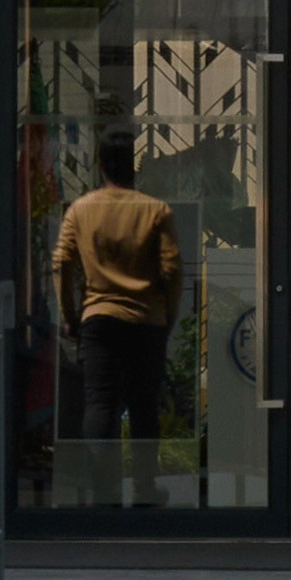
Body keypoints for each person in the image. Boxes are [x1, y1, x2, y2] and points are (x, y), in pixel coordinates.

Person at [44, 159, 187, 506]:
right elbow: (172, 269)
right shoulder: (155, 210)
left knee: (99, 404)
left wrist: (70, 316)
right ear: (132, 170)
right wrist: (168, 314)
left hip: (99, 319)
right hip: (146, 320)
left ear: (102, 167)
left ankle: (104, 492)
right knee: (144, 406)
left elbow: (61, 263)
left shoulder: (81, 209)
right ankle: (144, 488)